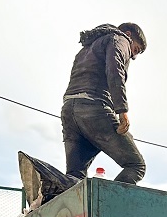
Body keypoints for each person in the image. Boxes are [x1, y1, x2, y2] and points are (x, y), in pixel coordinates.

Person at [61, 23, 148, 185]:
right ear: (128, 34)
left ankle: (56, 197)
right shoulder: (119, 39)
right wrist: (122, 111)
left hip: (69, 110)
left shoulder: (85, 49)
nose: (133, 57)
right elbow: (115, 71)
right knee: (136, 165)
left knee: (75, 177)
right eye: (135, 50)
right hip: (94, 108)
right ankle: (110, 208)